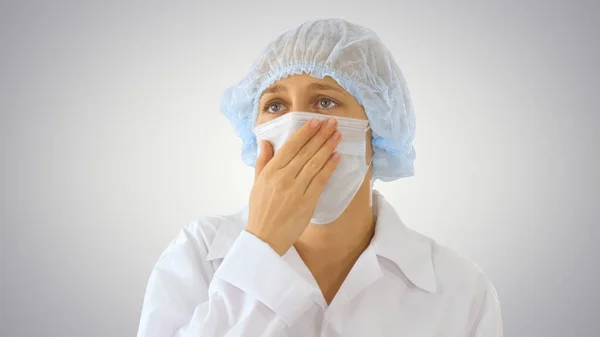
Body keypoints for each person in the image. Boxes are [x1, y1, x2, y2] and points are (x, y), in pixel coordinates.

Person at [136, 18, 503, 337]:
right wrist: (261, 248)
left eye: (325, 102)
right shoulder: (199, 254)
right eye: (275, 106)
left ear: (377, 131)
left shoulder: (460, 289)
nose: (296, 129)